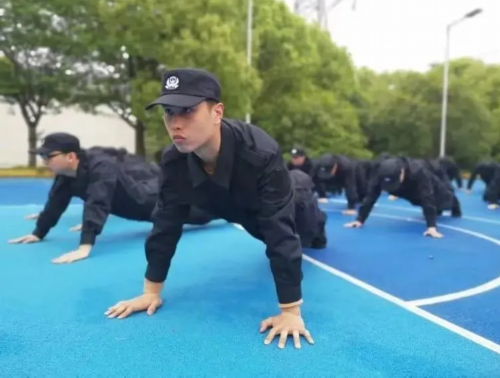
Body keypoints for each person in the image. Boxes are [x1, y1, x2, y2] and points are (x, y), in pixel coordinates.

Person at [104, 68, 314, 349]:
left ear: (217, 113)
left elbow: (280, 230)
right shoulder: (174, 161)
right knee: (261, 234)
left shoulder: (260, 152)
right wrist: (150, 291)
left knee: (309, 237)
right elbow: (166, 222)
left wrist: (290, 312)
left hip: (290, 200)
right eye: (168, 111)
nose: (175, 123)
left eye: (187, 111)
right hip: (230, 205)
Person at [8, 132, 214, 263]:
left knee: (201, 213)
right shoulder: (66, 175)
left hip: (147, 202)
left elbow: (98, 200)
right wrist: (39, 233)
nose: (44, 162)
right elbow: (56, 202)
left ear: (70, 156)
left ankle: (225, 205)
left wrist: (85, 246)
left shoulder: (100, 165)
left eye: (48, 157)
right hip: (131, 206)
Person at [345, 157, 462, 238]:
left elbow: (428, 197)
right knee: (418, 202)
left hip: (431, 188)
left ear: (402, 172)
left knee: (444, 201)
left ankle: (455, 206)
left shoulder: (419, 172)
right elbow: (371, 196)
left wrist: (431, 227)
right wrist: (359, 219)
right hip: (408, 192)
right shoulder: (381, 173)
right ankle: (436, 210)